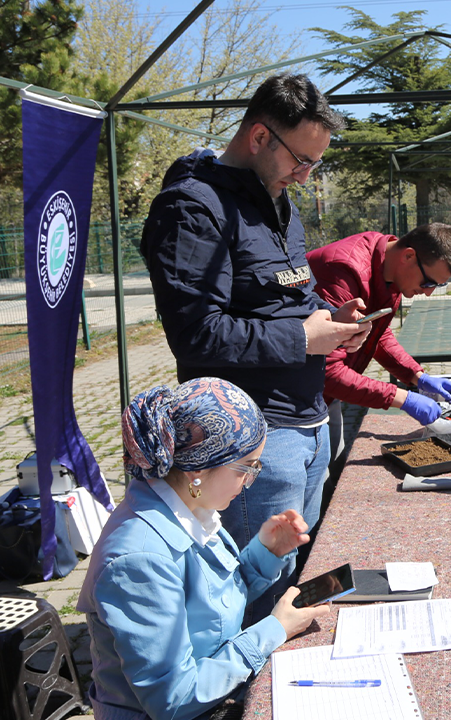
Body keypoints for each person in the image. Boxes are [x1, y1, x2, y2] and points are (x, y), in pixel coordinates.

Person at [140, 74, 369, 626]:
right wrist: (301, 337)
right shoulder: (192, 209)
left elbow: (291, 293)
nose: (306, 174)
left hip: (310, 423)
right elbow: (195, 333)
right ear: (260, 137)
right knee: (251, 592)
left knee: (290, 575)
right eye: (301, 159)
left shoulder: (280, 203)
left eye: (316, 163)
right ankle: (241, 700)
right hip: (254, 439)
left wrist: (330, 319)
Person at [77, 378, 329, 720]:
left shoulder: (185, 505)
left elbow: (211, 603)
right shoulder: (139, 561)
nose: (249, 481)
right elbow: (173, 698)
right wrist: (273, 630)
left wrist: (267, 551)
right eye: (246, 468)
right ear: (198, 469)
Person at [307, 223, 451, 467]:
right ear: (409, 256)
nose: (428, 293)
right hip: (289, 401)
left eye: (437, 286)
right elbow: (326, 370)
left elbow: (377, 334)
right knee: (314, 486)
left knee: (333, 470)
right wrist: (402, 398)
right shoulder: (342, 272)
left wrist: (417, 376)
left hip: (322, 397)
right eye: (428, 282)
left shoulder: (389, 270)